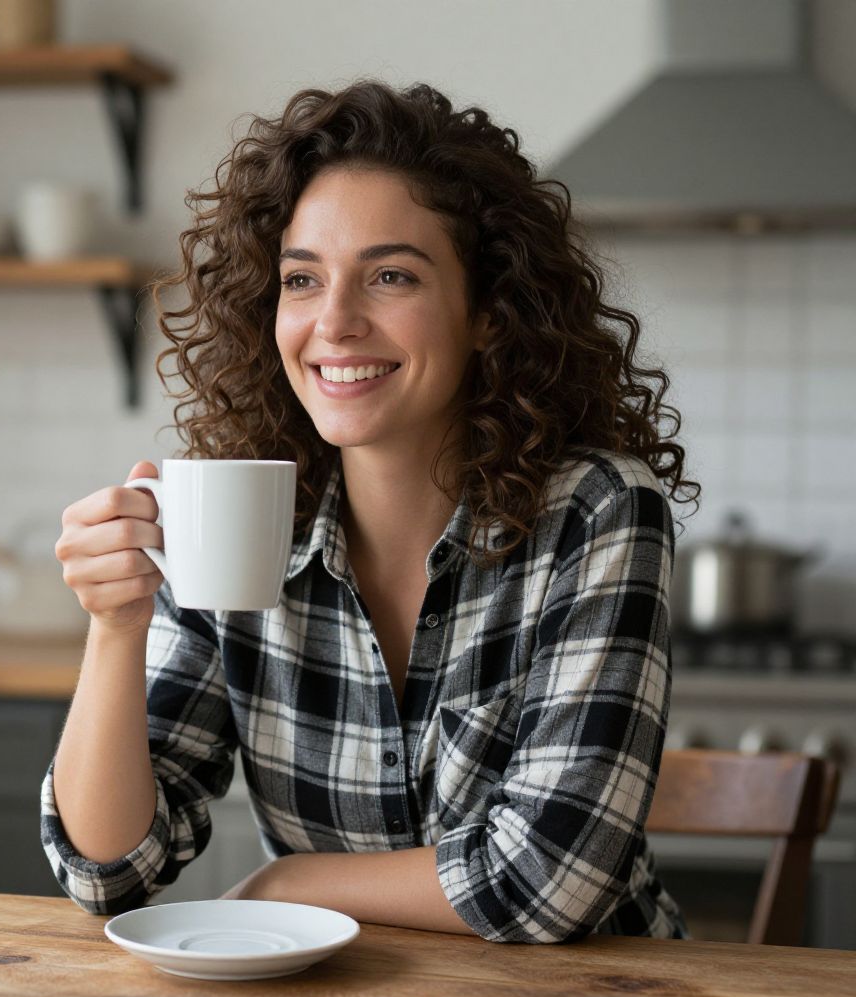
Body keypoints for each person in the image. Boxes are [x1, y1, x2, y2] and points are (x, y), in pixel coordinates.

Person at [43, 79, 700, 943]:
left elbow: (549, 883)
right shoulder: (238, 518)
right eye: (302, 279)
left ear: (489, 314)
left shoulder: (595, 510)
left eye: (391, 275)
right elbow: (107, 871)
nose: (336, 322)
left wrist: (288, 884)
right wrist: (115, 626)